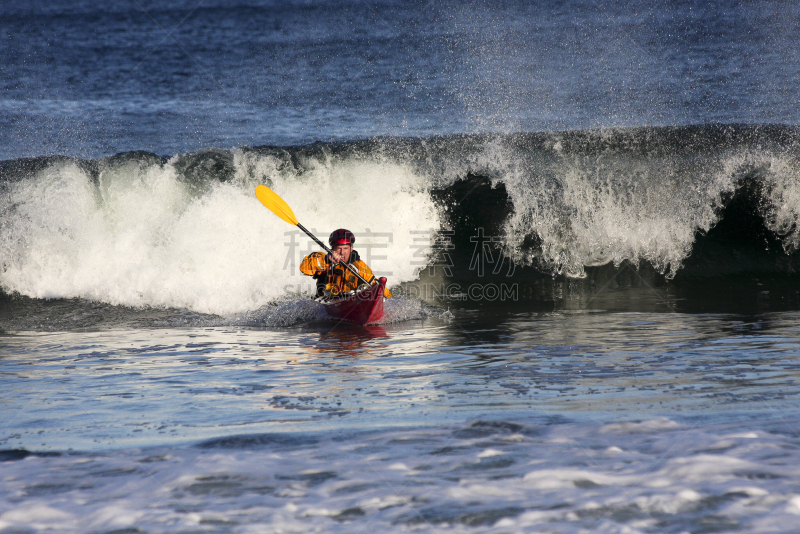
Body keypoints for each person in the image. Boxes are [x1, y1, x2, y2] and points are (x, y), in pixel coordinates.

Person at [300, 229, 393, 298]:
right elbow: (304, 268)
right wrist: (327, 260)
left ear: (351, 249)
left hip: (350, 300)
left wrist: (389, 300)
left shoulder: (359, 266)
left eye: (345, 248)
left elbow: (374, 284)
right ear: (332, 249)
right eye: (338, 248)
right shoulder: (322, 258)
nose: (342, 252)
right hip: (325, 301)